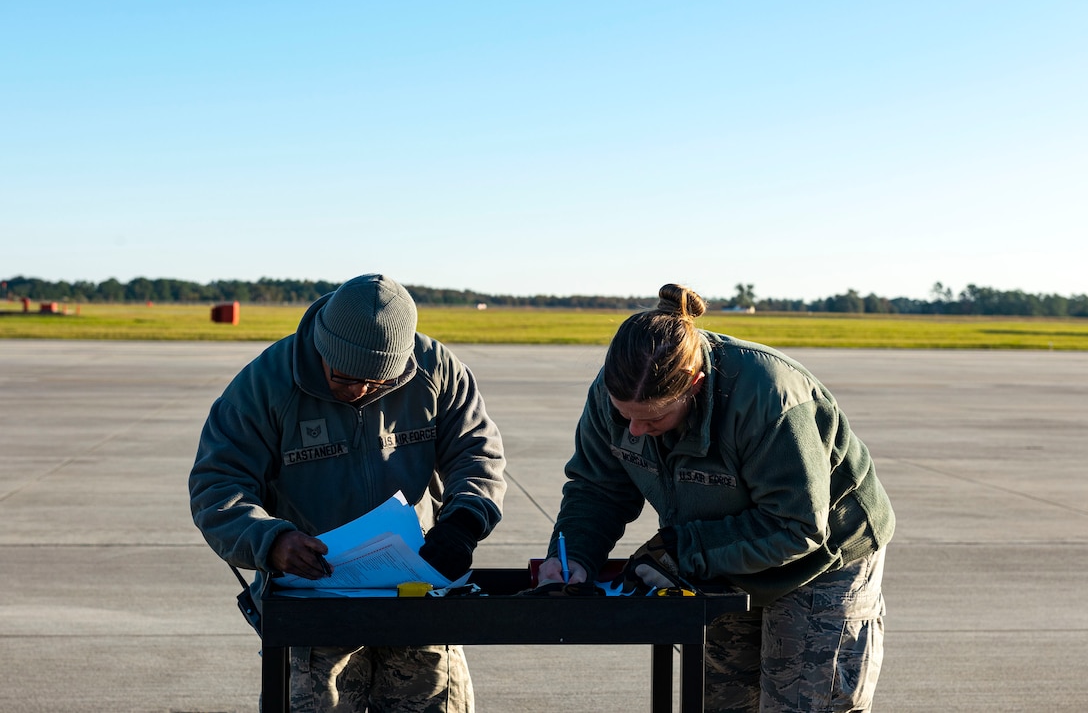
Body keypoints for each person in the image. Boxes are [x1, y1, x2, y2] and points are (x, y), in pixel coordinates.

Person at [536, 283, 895, 712]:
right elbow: (597, 488)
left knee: (804, 702)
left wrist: (680, 551)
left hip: (820, 561)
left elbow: (796, 525)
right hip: (719, 553)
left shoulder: (768, 398)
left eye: (653, 418)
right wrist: (574, 554)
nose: (632, 429)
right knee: (723, 699)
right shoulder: (618, 394)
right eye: (623, 414)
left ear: (695, 384)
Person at [189, 273, 507, 713]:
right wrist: (272, 542)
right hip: (312, 611)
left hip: (417, 598)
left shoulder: (437, 370)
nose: (359, 391)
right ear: (322, 345)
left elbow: (478, 456)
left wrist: (463, 523)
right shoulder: (265, 384)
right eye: (344, 379)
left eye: (378, 384)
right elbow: (217, 486)